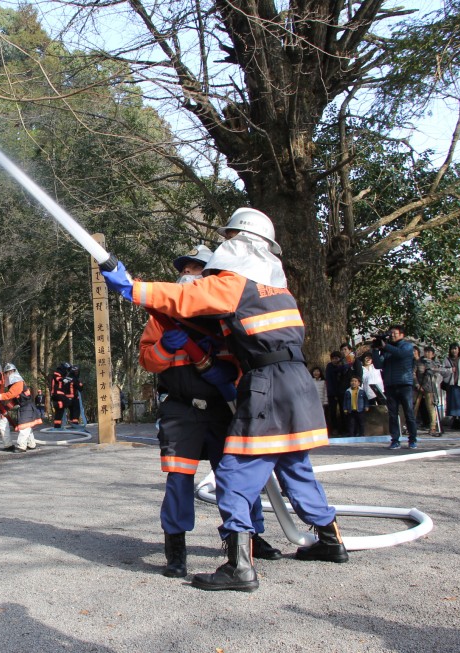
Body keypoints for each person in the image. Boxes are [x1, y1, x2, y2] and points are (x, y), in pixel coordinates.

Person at [102, 207, 348, 593]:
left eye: (229, 239)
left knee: (234, 473)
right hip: (297, 384)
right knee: (295, 466)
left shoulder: (235, 282)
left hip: (266, 383)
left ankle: (239, 567)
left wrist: (131, 287)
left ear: (241, 242)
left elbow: (187, 297)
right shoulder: (277, 289)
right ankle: (331, 542)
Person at [138, 244, 281, 578]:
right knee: (178, 479)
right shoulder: (162, 319)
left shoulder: (227, 316)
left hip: (223, 408)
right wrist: (163, 346)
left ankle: (249, 540)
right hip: (180, 411)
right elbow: (147, 360)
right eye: (185, 269)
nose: (188, 275)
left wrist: (224, 366)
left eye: (197, 269)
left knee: (236, 479)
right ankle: (176, 551)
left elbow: (249, 358)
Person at [371, 325, 419, 450]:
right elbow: (378, 365)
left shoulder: (407, 346)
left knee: (409, 413)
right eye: (390, 333)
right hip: (390, 384)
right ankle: (395, 440)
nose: (392, 335)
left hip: (404, 384)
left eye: (395, 333)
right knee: (392, 414)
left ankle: (412, 439)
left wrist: (385, 346)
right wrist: (375, 350)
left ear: (402, 334)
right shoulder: (387, 349)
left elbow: (401, 354)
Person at [0, 363, 41, 452]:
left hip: (27, 407)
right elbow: (16, 399)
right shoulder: (13, 384)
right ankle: (31, 444)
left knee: (24, 427)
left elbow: (10, 395)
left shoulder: (18, 382)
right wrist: (7, 407)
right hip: (24, 407)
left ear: (14, 371)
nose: (8, 374)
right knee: (27, 426)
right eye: (7, 372)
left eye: (10, 372)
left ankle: (21, 446)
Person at [416, 346, 448, 435]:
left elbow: (444, 372)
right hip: (418, 387)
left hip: (430, 387)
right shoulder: (419, 362)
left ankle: (433, 427)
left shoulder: (435, 363)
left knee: (431, 407)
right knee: (415, 407)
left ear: (433, 354)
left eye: (429, 352)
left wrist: (434, 369)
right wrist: (417, 385)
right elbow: (413, 373)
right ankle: (409, 426)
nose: (427, 354)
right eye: (426, 352)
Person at [442, 343, 460, 429]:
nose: (454, 351)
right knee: (452, 403)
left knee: (459, 403)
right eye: (452, 349)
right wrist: (450, 370)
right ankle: (454, 419)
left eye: (456, 349)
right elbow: (443, 370)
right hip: (451, 384)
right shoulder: (447, 359)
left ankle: (459, 419)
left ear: (459, 350)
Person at [324, 351, 348, 435]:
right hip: (332, 393)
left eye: (337, 358)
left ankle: (344, 429)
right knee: (332, 412)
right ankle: (334, 428)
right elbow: (334, 372)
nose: (335, 360)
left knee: (343, 411)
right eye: (333, 359)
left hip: (341, 392)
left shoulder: (342, 367)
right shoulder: (329, 366)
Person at [49, 362, 75, 428]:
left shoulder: (62, 374)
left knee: (60, 410)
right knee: (70, 403)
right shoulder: (57, 372)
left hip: (59, 394)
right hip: (57, 393)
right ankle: (72, 421)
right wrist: (64, 379)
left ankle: (57, 425)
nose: (67, 371)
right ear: (64, 368)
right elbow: (58, 378)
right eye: (67, 370)